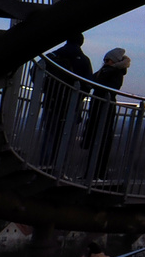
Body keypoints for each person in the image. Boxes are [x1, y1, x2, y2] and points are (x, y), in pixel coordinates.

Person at [38, 33, 93, 167]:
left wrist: (46, 88)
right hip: (71, 106)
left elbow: (36, 72)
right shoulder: (84, 60)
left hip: (51, 103)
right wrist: (78, 96)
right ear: (81, 43)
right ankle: (59, 170)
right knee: (65, 139)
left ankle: (43, 168)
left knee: (49, 137)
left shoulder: (54, 56)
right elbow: (88, 84)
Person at [81, 48, 131, 180]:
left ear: (114, 60)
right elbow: (90, 81)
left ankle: (98, 173)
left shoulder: (116, 72)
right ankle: (91, 173)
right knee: (95, 140)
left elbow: (109, 89)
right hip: (98, 107)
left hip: (105, 108)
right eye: (105, 60)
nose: (105, 62)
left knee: (102, 140)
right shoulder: (106, 71)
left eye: (108, 60)